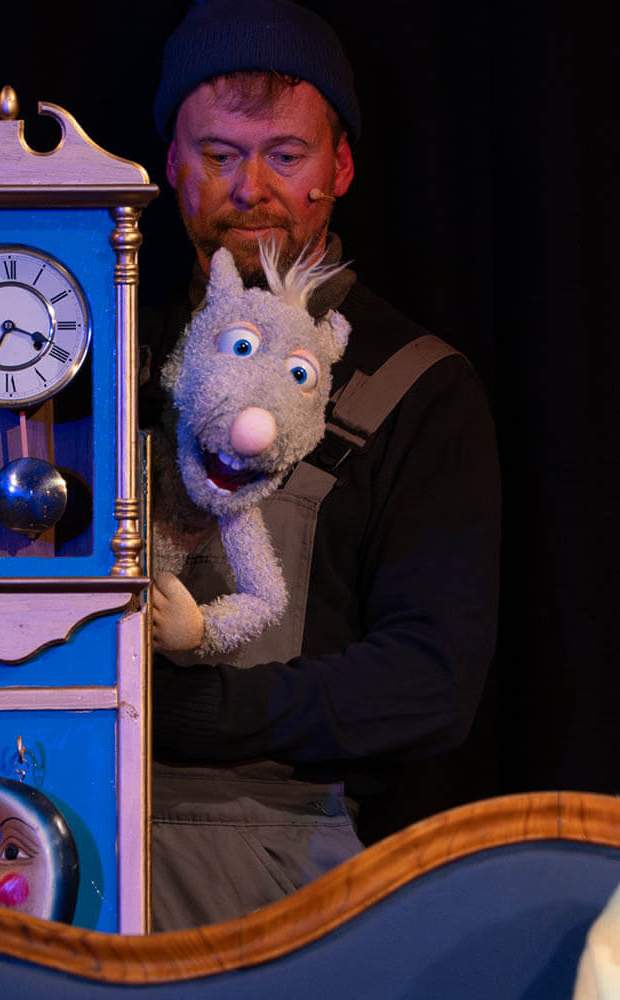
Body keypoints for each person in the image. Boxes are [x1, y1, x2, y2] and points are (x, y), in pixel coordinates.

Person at [141, 0, 501, 931]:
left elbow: (431, 679)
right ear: (173, 165)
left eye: (285, 155)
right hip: (75, 820)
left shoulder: (417, 383)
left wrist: (201, 711)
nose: (250, 186)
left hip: (277, 878)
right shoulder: (104, 356)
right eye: (219, 154)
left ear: (338, 169)